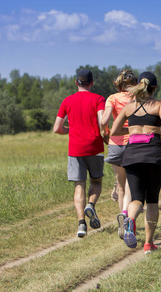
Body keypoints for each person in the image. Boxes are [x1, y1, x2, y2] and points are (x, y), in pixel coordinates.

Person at [111, 72, 161, 252]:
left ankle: (130, 220)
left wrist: (133, 132)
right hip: (155, 153)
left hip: (132, 154)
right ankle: (148, 243)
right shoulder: (159, 105)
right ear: (154, 88)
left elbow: (114, 131)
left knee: (137, 198)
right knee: (152, 199)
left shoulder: (129, 107)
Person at [53, 69, 105, 238]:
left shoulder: (67, 101)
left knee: (79, 185)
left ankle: (81, 224)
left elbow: (57, 128)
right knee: (96, 182)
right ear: (92, 83)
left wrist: (70, 129)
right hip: (95, 147)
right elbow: (102, 122)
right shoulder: (98, 99)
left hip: (75, 149)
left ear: (76, 83)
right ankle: (91, 204)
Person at [101, 69, 136, 239]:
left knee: (120, 185)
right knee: (131, 183)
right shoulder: (137, 98)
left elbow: (104, 120)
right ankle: (126, 214)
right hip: (134, 143)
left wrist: (105, 133)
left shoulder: (112, 98)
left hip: (115, 143)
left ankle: (121, 222)